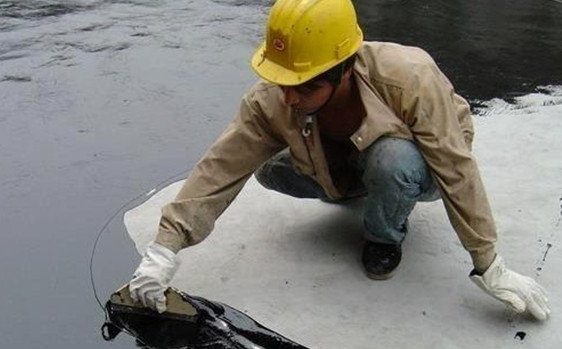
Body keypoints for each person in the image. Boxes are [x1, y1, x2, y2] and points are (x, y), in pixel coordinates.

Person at [128, 0, 550, 320]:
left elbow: (455, 168)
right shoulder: (274, 98)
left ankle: (384, 236)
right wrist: (165, 249)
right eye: (282, 81)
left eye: (304, 87)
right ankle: (356, 186)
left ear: (344, 68)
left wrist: (489, 264)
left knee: (391, 162)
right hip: (346, 158)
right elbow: (221, 166)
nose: (289, 97)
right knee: (265, 168)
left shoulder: (410, 77)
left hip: (418, 165)